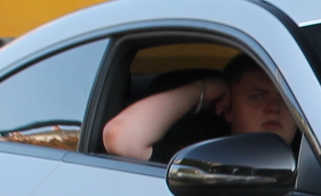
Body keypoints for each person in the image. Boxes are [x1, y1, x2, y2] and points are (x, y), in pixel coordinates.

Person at [102, 52, 299, 162]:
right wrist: (204, 90)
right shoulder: (206, 161)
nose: (274, 107)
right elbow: (121, 138)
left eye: (286, 98)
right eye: (257, 96)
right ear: (228, 109)